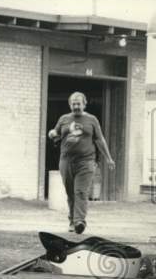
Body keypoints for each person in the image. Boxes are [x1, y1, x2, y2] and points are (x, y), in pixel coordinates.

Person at [48, 92, 116, 234]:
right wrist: (52, 133)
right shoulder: (64, 119)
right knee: (70, 193)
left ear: (84, 104)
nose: (76, 106)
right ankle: (72, 221)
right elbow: (56, 132)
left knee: (80, 191)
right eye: (73, 104)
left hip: (86, 161)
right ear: (70, 105)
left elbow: (99, 140)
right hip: (66, 161)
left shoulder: (92, 120)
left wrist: (108, 158)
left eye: (79, 103)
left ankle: (80, 221)